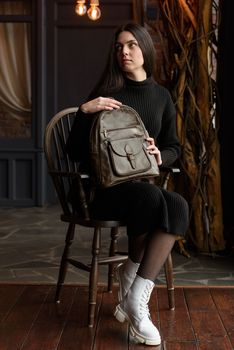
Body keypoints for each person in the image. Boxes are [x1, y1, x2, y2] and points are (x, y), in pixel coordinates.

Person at [66, 22, 189, 346]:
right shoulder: (106, 94)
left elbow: (174, 146)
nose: (124, 52)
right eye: (119, 46)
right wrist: (84, 110)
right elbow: (74, 151)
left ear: (145, 49)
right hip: (104, 191)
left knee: (177, 204)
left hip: (142, 187)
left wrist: (158, 153)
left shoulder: (161, 96)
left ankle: (135, 293)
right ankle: (134, 297)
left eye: (132, 45)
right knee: (150, 198)